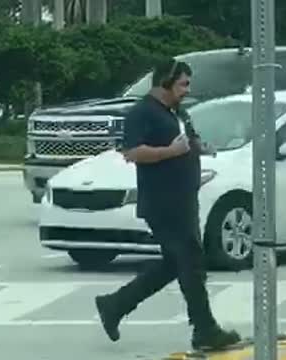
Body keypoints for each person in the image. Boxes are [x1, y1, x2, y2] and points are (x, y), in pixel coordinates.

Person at [94, 57, 241, 350]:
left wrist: (199, 148)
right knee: (192, 264)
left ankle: (115, 305)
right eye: (182, 84)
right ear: (165, 82)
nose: (187, 90)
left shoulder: (177, 112)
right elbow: (133, 152)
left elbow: (188, 140)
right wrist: (171, 152)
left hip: (184, 199)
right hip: (162, 203)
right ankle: (205, 329)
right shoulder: (141, 112)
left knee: (178, 263)